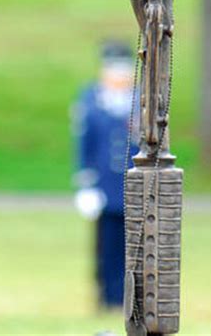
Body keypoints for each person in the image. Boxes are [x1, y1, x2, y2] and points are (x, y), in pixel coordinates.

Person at [73, 41, 139, 310]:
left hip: (134, 186)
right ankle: (107, 296)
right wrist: (86, 184)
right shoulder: (91, 100)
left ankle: (132, 299)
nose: (119, 75)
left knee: (135, 247)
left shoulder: (141, 100)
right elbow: (84, 144)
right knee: (106, 245)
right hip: (104, 186)